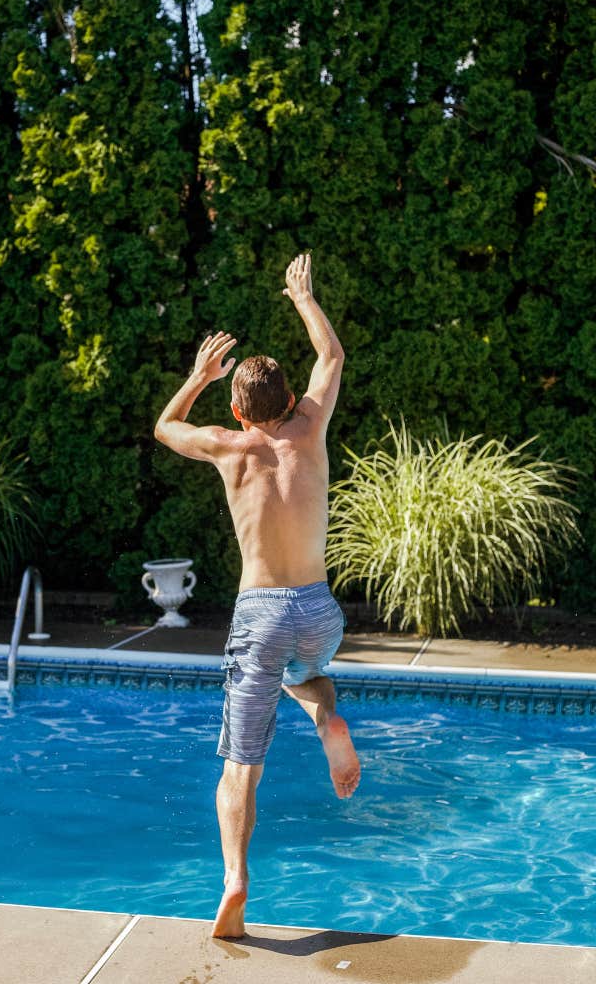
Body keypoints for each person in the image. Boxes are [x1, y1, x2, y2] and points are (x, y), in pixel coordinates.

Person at [154, 253, 361, 940]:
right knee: (311, 677)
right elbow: (330, 354)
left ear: (239, 409)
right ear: (287, 402)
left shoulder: (227, 446)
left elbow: (164, 428)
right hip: (319, 612)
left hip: (262, 613)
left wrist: (196, 377)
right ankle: (327, 719)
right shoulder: (311, 428)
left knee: (241, 764)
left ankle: (236, 878)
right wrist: (303, 295)